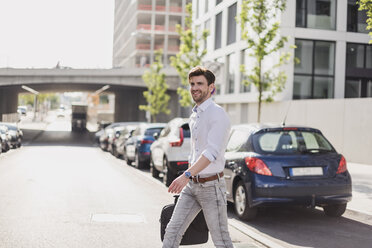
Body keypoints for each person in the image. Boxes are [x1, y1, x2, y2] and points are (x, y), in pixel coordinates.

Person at [162, 66, 233, 248]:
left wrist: (185, 175)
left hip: (212, 187)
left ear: (211, 87)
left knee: (221, 240)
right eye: (192, 84)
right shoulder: (195, 115)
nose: (194, 88)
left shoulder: (217, 114)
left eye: (200, 83)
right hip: (193, 185)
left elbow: (210, 153)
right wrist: (189, 176)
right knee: (172, 231)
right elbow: (195, 152)